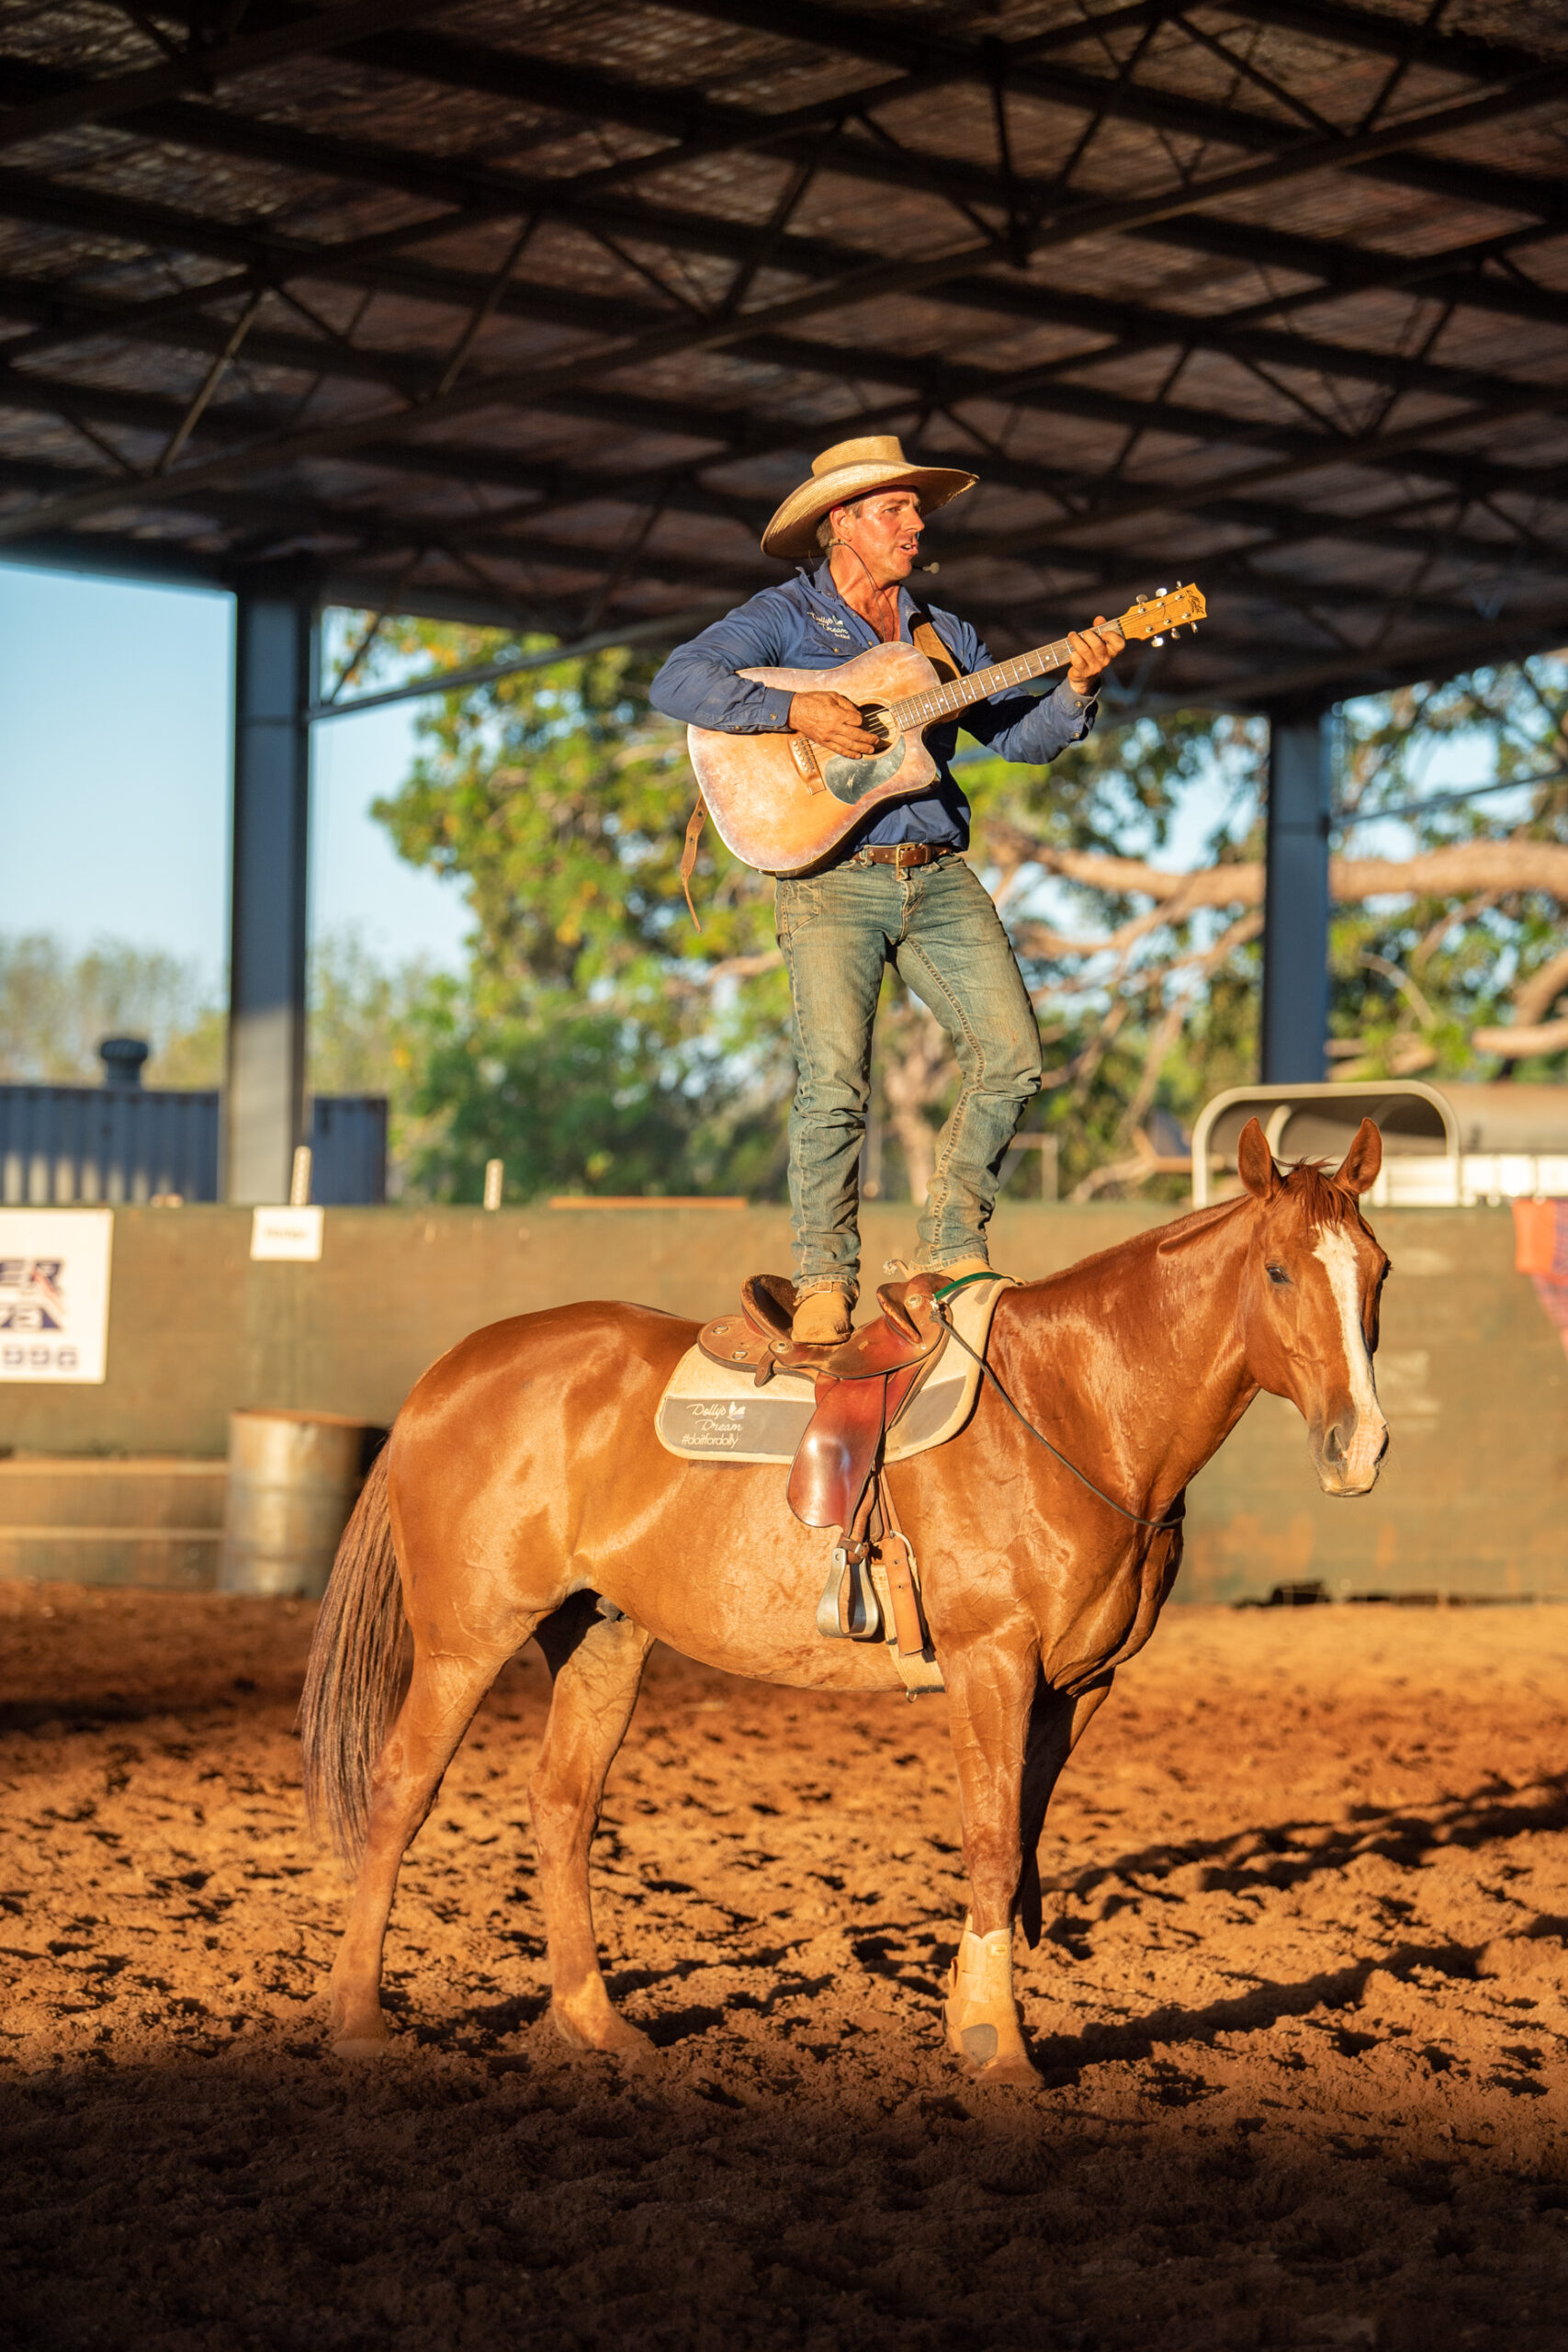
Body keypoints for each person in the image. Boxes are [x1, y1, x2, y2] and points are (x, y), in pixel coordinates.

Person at [650, 435, 1122, 1345]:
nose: (915, 523)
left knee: (1014, 1053)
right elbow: (681, 680)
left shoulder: (943, 636)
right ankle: (824, 1277)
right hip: (830, 881)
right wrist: (801, 708)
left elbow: (1017, 740)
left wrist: (1074, 688)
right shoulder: (783, 617)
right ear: (841, 526)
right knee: (833, 1083)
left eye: (916, 509)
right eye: (894, 509)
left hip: (937, 873)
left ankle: (950, 1246)